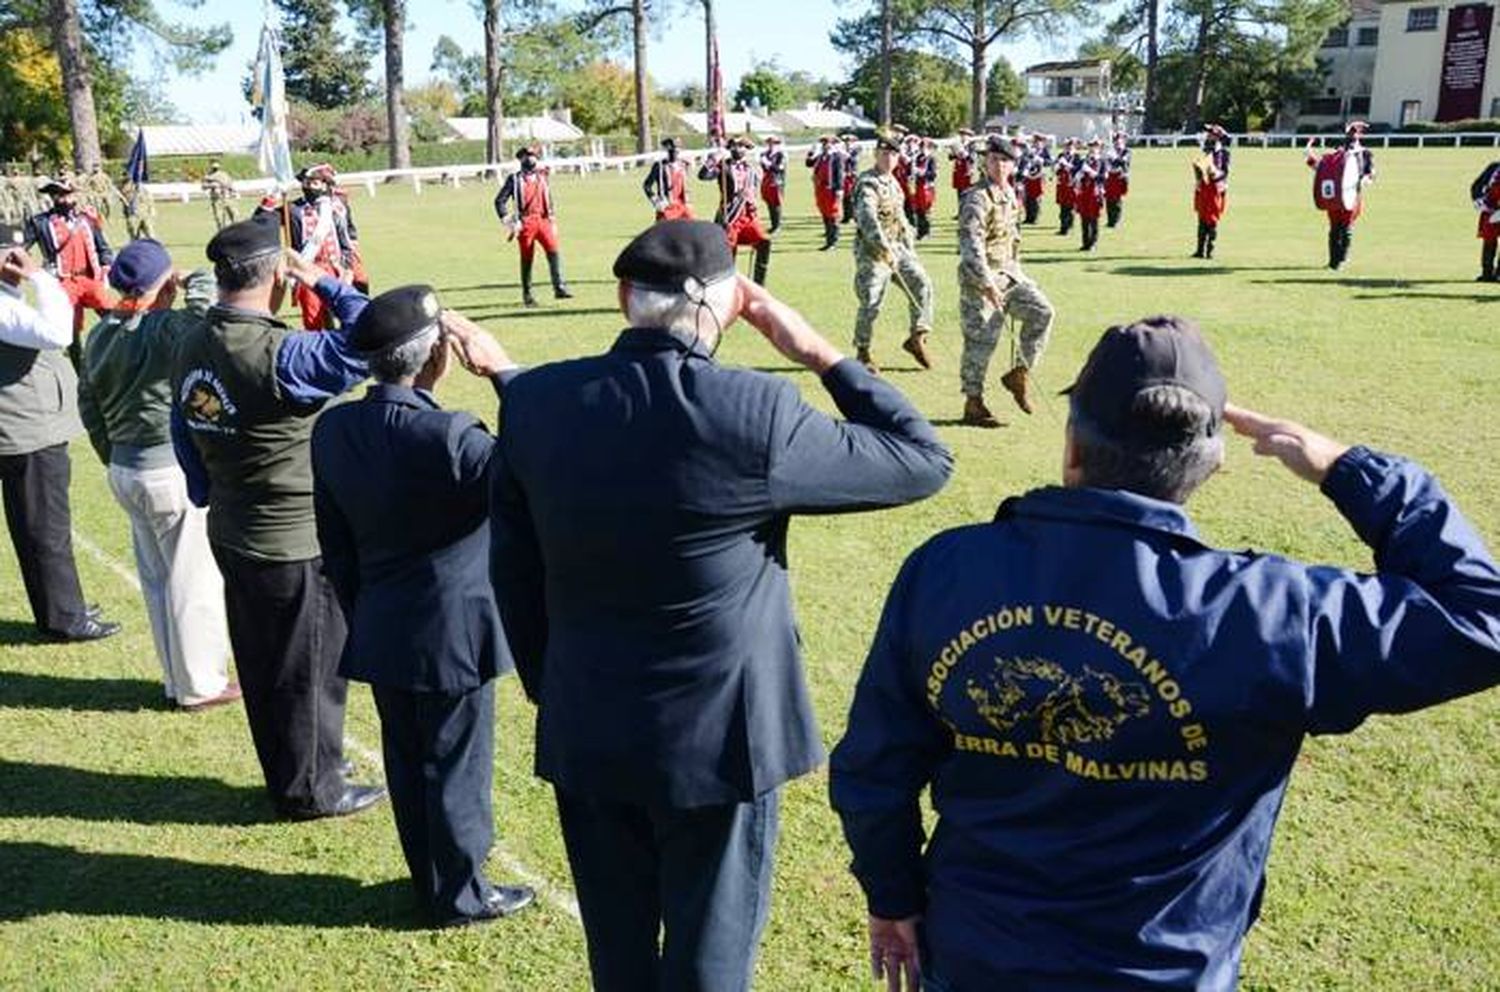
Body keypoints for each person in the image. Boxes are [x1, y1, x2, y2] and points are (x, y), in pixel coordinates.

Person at [830, 315, 1500, 991]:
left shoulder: (948, 570)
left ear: (1071, 447)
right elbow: (1482, 619)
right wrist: (1346, 470)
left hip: (977, 956)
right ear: (1213, 463)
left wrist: (893, 897)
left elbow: (874, 767)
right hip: (1164, 973)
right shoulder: (1272, 613)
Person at [489, 219, 952, 992]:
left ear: (622, 298)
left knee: (620, 953)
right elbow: (921, 461)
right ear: (729, 304)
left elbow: (514, 570)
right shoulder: (752, 409)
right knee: (712, 954)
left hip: (589, 718)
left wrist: (554, 686)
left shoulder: (535, 402)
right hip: (721, 738)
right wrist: (817, 353)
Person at [311, 286, 535, 927]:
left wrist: (364, 610)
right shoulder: (453, 437)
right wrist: (502, 372)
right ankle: (460, 895)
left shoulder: (334, 429)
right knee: (456, 766)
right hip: (453, 631)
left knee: (408, 761)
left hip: (381, 619)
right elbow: (535, 464)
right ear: (438, 356)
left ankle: (429, 879)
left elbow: (336, 542)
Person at [169, 213, 386, 821]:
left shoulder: (193, 338)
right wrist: (323, 279)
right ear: (277, 279)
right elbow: (375, 335)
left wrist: (205, 487)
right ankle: (314, 789)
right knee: (309, 667)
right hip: (294, 538)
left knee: (264, 662)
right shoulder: (284, 354)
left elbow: (181, 428)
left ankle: (287, 776)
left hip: (234, 526)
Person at [76, 240, 237, 708]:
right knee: (193, 580)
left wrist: (112, 454)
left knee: (157, 579)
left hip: (125, 467)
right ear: (162, 285)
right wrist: (193, 281)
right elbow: (208, 316)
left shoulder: (102, 332)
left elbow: (89, 406)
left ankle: (176, 677)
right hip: (167, 469)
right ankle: (200, 684)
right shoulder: (167, 328)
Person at [0, 230, 120, 641]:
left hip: (26, 427)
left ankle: (59, 608)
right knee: (45, 530)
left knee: (37, 526)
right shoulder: (3, 306)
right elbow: (58, 333)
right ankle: (64, 618)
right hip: (27, 431)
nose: (19, 262)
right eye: (12, 256)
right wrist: (41, 278)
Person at [956, 136, 1056, 429]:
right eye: (994, 160)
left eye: (1005, 160)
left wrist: (1018, 273)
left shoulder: (1011, 193)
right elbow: (970, 244)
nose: (999, 165)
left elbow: (1012, 239)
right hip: (981, 279)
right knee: (981, 342)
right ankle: (973, 403)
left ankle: (1019, 374)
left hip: (1010, 274)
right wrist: (986, 282)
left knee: (1043, 312)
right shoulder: (976, 197)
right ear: (985, 162)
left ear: (1013, 165)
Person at [852, 131, 936, 374]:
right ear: (876, 154)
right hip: (872, 251)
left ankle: (917, 336)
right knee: (871, 301)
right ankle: (862, 350)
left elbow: (901, 219)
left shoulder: (894, 183)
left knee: (922, 284)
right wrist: (883, 247)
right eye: (884, 153)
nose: (888, 158)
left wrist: (909, 248)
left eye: (893, 154)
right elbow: (867, 219)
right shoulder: (868, 182)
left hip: (897, 248)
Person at [23, 176, 115, 341]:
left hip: (90, 278)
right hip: (63, 281)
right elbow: (22, 246)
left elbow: (103, 248)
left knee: (113, 319)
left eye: (69, 194)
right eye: (60, 195)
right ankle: (77, 364)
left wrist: (106, 266)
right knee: (71, 329)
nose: (65, 199)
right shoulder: (40, 222)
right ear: (53, 197)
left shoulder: (87, 219)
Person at [494, 145, 573, 308]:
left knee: (554, 253)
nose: (531, 159)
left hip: (543, 220)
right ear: (520, 159)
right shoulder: (514, 179)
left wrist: (552, 220)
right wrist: (507, 220)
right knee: (527, 258)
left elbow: (548, 199)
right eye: (527, 156)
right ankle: (527, 294)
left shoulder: (542, 177)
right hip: (525, 222)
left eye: (533, 156)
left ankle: (559, 287)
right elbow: (499, 201)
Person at [288, 163, 360, 329]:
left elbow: (348, 237)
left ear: (325, 185)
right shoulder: (292, 209)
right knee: (314, 318)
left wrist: (348, 269)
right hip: (309, 267)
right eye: (305, 183)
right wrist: (274, 195)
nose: (308, 187)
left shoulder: (339, 206)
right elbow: (262, 218)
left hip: (336, 267)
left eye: (313, 183)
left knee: (348, 312)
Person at [698, 136, 773, 284]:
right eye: (734, 146)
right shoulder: (723, 166)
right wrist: (712, 160)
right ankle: (727, 284)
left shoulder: (752, 169)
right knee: (728, 251)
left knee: (764, 242)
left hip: (748, 216)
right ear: (730, 149)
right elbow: (703, 175)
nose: (738, 149)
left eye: (741, 146)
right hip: (730, 216)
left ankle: (759, 284)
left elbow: (754, 189)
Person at [1306, 121, 1375, 270]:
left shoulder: (1365, 153)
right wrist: (1309, 153)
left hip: (1353, 195)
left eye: (1357, 131)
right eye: (1351, 131)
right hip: (1335, 195)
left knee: (1346, 228)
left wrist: (1364, 181)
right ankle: (1333, 262)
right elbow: (1322, 169)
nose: (1353, 134)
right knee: (1334, 229)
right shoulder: (1338, 152)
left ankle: (1342, 259)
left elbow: (1370, 174)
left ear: (1361, 134)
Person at [1193, 124, 1232, 259]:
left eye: (1211, 134)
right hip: (1203, 187)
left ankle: (1210, 250)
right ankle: (1199, 249)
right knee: (1201, 217)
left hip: (1215, 188)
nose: (1208, 136)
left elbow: (1225, 172)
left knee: (1212, 219)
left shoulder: (1224, 153)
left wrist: (1216, 174)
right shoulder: (1205, 150)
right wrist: (1198, 176)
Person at [806, 134, 845, 250]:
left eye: (828, 143)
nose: (825, 146)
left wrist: (839, 188)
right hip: (820, 188)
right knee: (824, 214)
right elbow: (808, 164)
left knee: (832, 214)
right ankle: (828, 240)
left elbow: (839, 173)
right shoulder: (820, 156)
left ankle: (833, 241)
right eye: (823, 144)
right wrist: (811, 152)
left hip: (831, 188)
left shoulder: (836, 156)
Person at [643, 137, 693, 222]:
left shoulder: (684, 165)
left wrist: (688, 201)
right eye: (672, 151)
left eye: (676, 151)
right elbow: (647, 185)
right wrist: (656, 201)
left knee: (692, 229)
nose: (674, 154)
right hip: (667, 207)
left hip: (683, 206)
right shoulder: (659, 166)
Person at [1072, 137, 1107, 252]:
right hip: (1084, 192)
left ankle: (1093, 243)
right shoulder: (1084, 160)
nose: (1093, 149)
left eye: (1095, 147)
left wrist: (1092, 173)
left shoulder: (1102, 162)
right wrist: (1079, 174)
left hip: (1095, 192)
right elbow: (1074, 173)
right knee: (1084, 218)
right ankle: (1085, 243)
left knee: (1094, 219)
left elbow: (1104, 178)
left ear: (1099, 149)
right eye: (1091, 147)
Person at [1471, 159, 1500, 281]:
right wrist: (1478, 200)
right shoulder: (1494, 167)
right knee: (1489, 240)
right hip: (1491, 210)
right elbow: (1477, 185)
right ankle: (1487, 272)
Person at [909, 138, 939, 241]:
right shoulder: (918, 158)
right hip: (918, 186)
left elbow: (934, 174)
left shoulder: (932, 159)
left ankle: (927, 231)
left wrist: (923, 173)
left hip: (927, 187)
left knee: (927, 211)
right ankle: (920, 232)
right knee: (918, 210)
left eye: (925, 147)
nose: (922, 149)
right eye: (921, 147)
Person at [1019, 133, 1051, 226]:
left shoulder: (1045, 151)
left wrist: (1041, 160)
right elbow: (1023, 159)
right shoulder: (1030, 151)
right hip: (1029, 176)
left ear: (1042, 143)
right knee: (1027, 197)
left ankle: (1035, 217)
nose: (1037, 144)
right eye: (1035, 142)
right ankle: (1028, 217)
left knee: (1036, 197)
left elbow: (1049, 162)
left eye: (1039, 142)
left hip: (1039, 177)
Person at [758, 135, 787, 233]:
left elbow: (779, 169)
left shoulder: (780, 155)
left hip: (776, 181)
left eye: (773, 143)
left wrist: (769, 164)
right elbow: (764, 168)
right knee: (769, 203)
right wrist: (763, 163)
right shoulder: (764, 154)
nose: (771, 145)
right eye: (769, 143)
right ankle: (773, 225)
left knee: (776, 204)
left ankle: (777, 225)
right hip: (767, 180)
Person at [202, 160, 240, 231]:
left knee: (234, 215)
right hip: (217, 199)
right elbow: (203, 186)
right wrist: (212, 185)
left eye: (216, 167)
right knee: (219, 218)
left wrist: (233, 191)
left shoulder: (224, 174)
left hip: (227, 198)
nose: (215, 168)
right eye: (213, 167)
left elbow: (229, 184)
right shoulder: (208, 176)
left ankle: (236, 230)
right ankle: (222, 232)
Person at [1104, 131, 1132, 228]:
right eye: (1116, 141)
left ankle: (1116, 220)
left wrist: (1115, 158)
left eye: (1120, 140)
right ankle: (1110, 220)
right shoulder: (1111, 151)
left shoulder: (1127, 151)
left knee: (1117, 199)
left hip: (1120, 176)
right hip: (1110, 176)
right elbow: (1108, 163)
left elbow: (1122, 162)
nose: (1118, 143)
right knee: (1108, 199)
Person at [1053, 137, 1079, 235]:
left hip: (1071, 185)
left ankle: (1068, 225)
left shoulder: (1077, 157)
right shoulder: (1061, 155)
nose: (1068, 149)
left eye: (1070, 147)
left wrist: (1067, 164)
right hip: (1062, 184)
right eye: (1067, 147)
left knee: (1070, 206)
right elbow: (1056, 170)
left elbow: (1077, 169)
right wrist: (1057, 166)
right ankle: (1063, 227)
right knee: (1062, 207)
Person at [948, 129, 977, 206]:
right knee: (959, 191)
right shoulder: (958, 145)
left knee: (967, 191)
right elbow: (950, 157)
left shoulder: (971, 146)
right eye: (962, 135)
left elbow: (973, 159)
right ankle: (960, 209)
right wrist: (954, 153)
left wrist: (965, 154)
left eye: (965, 135)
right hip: (958, 170)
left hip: (967, 171)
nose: (963, 137)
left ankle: (966, 209)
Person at [841, 134, 861, 224]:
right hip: (844, 175)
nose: (847, 144)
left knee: (853, 196)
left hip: (852, 175)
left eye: (849, 142)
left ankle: (854, 215)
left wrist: (847, 155)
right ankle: (846, 216)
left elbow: (853, 161)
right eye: (846, 142)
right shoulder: (843, 151)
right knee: (845, 197)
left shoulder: (856, 150)